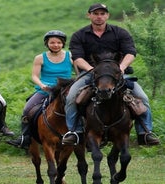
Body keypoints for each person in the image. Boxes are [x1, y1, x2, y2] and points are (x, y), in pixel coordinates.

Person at [62, 3, 160, 146]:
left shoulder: (120, 33)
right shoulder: (80, 35)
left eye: (102, 13)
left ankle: (145, 132)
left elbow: (130, 52)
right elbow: (77, 57)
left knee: (142, 97)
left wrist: (121, 67)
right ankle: (74, 132)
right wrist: (90, 69)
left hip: (117, 74)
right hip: (91, 74)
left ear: (107, 15)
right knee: (71, 97)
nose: (99, 17)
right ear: (89, 15)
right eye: (95, 14)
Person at [7, 30, 74, 148]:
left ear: (63, 43)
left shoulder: (70, 56)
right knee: (27, 110)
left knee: (83, 106)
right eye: (52, 42)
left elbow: (80, 73)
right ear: (47, 44)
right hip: (46, 90)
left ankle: (85, 135)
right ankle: (25, 137)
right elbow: (34, 76)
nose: (55, 45)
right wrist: (42, 85)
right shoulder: (40, 58)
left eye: (59, 42)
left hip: (66, 90)